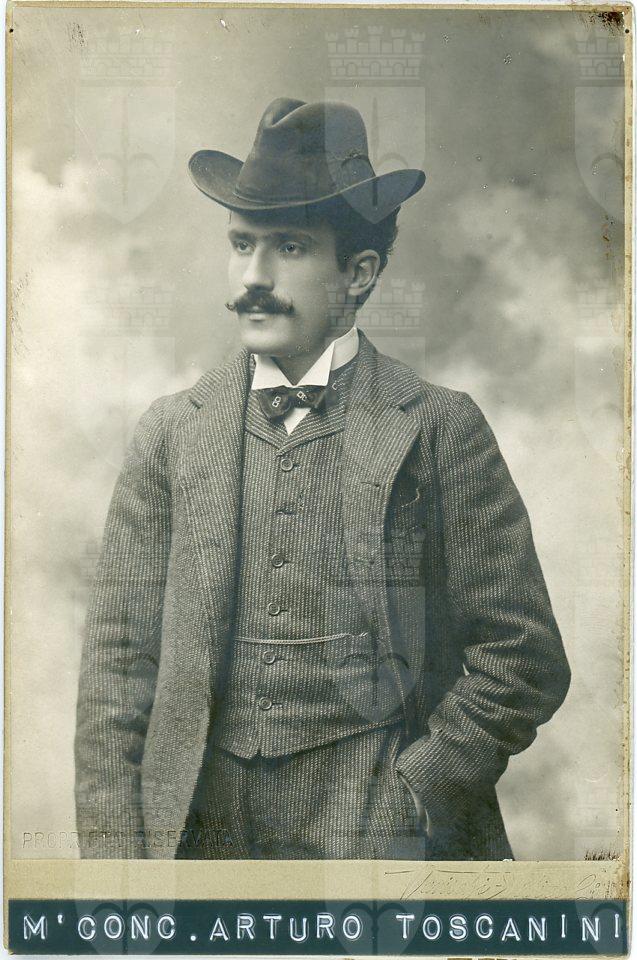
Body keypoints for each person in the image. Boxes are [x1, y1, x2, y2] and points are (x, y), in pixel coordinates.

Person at [74, 98, 571, 861]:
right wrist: (116, 877)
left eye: (290, 247)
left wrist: (420, 790)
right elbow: (115, 671)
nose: (253, 277)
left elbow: (523, 656)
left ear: (359, 273)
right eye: (241, 244)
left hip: (379, 841)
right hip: (202, 847)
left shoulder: (438, 427)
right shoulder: (171, 433)